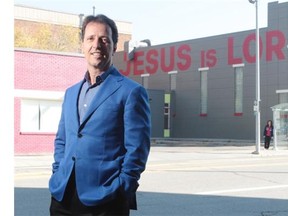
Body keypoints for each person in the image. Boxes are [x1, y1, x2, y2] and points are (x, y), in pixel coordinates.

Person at [49, 14, 151, 216]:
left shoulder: (131, 92)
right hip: (63, 197)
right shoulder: (71, 93)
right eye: (90, 38)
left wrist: (122, 188)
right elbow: (63, 140)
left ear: (114, 47)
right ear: (82, 45)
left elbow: (137, 150)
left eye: (104, 39)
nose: (97, 45)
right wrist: (57, 173)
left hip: (106, 201)